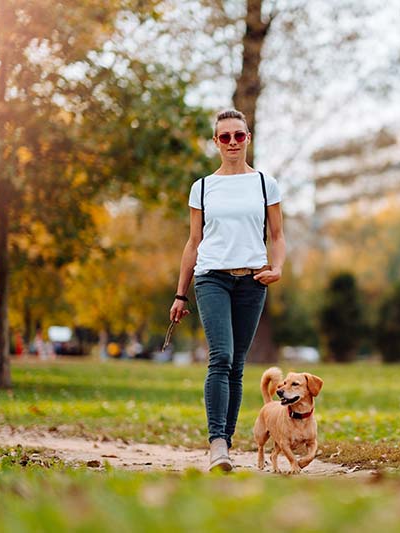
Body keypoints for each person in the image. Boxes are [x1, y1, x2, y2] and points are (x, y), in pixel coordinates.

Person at [169, 109, 285, 472]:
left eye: (239, 136)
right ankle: (217, 442)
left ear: (248, 138)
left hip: (252, 281)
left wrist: (276, 268)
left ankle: (226, 445)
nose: (232, 143)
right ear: (216, 142)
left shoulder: (266, 183)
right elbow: (193, 242)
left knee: (236, 365)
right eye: (225, 137)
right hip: (212, 278)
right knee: (220, 356)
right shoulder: (202, 187)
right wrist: (180, 293)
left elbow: (278, 236)